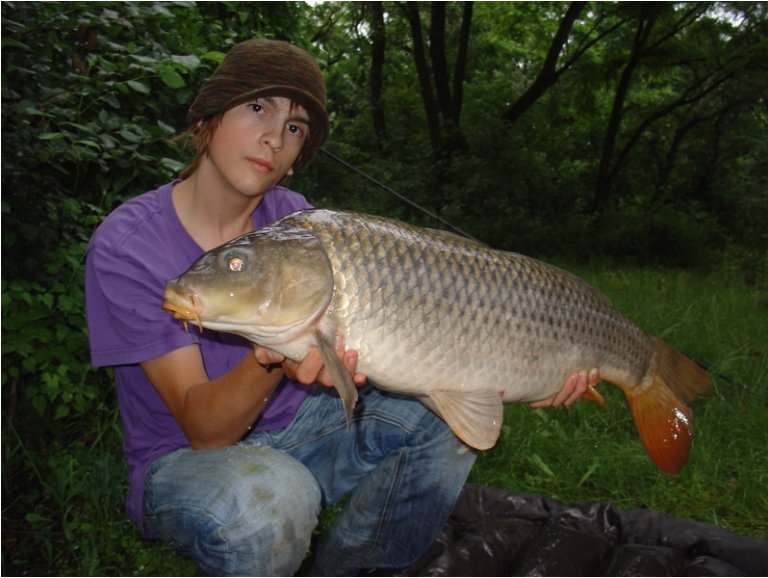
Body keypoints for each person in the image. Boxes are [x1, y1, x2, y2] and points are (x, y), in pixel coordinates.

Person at [85, 38, 597, 576]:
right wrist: (270, 358)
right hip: (186, 460)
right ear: (206, 118)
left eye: (295, 127)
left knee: (441, 423)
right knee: (272, 501)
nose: (274, 137)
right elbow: (204, 429)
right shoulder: (128, 246)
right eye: (257, 107)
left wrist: (535, 368)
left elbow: (413, 329)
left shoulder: (297, 221)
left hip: (303, 427)